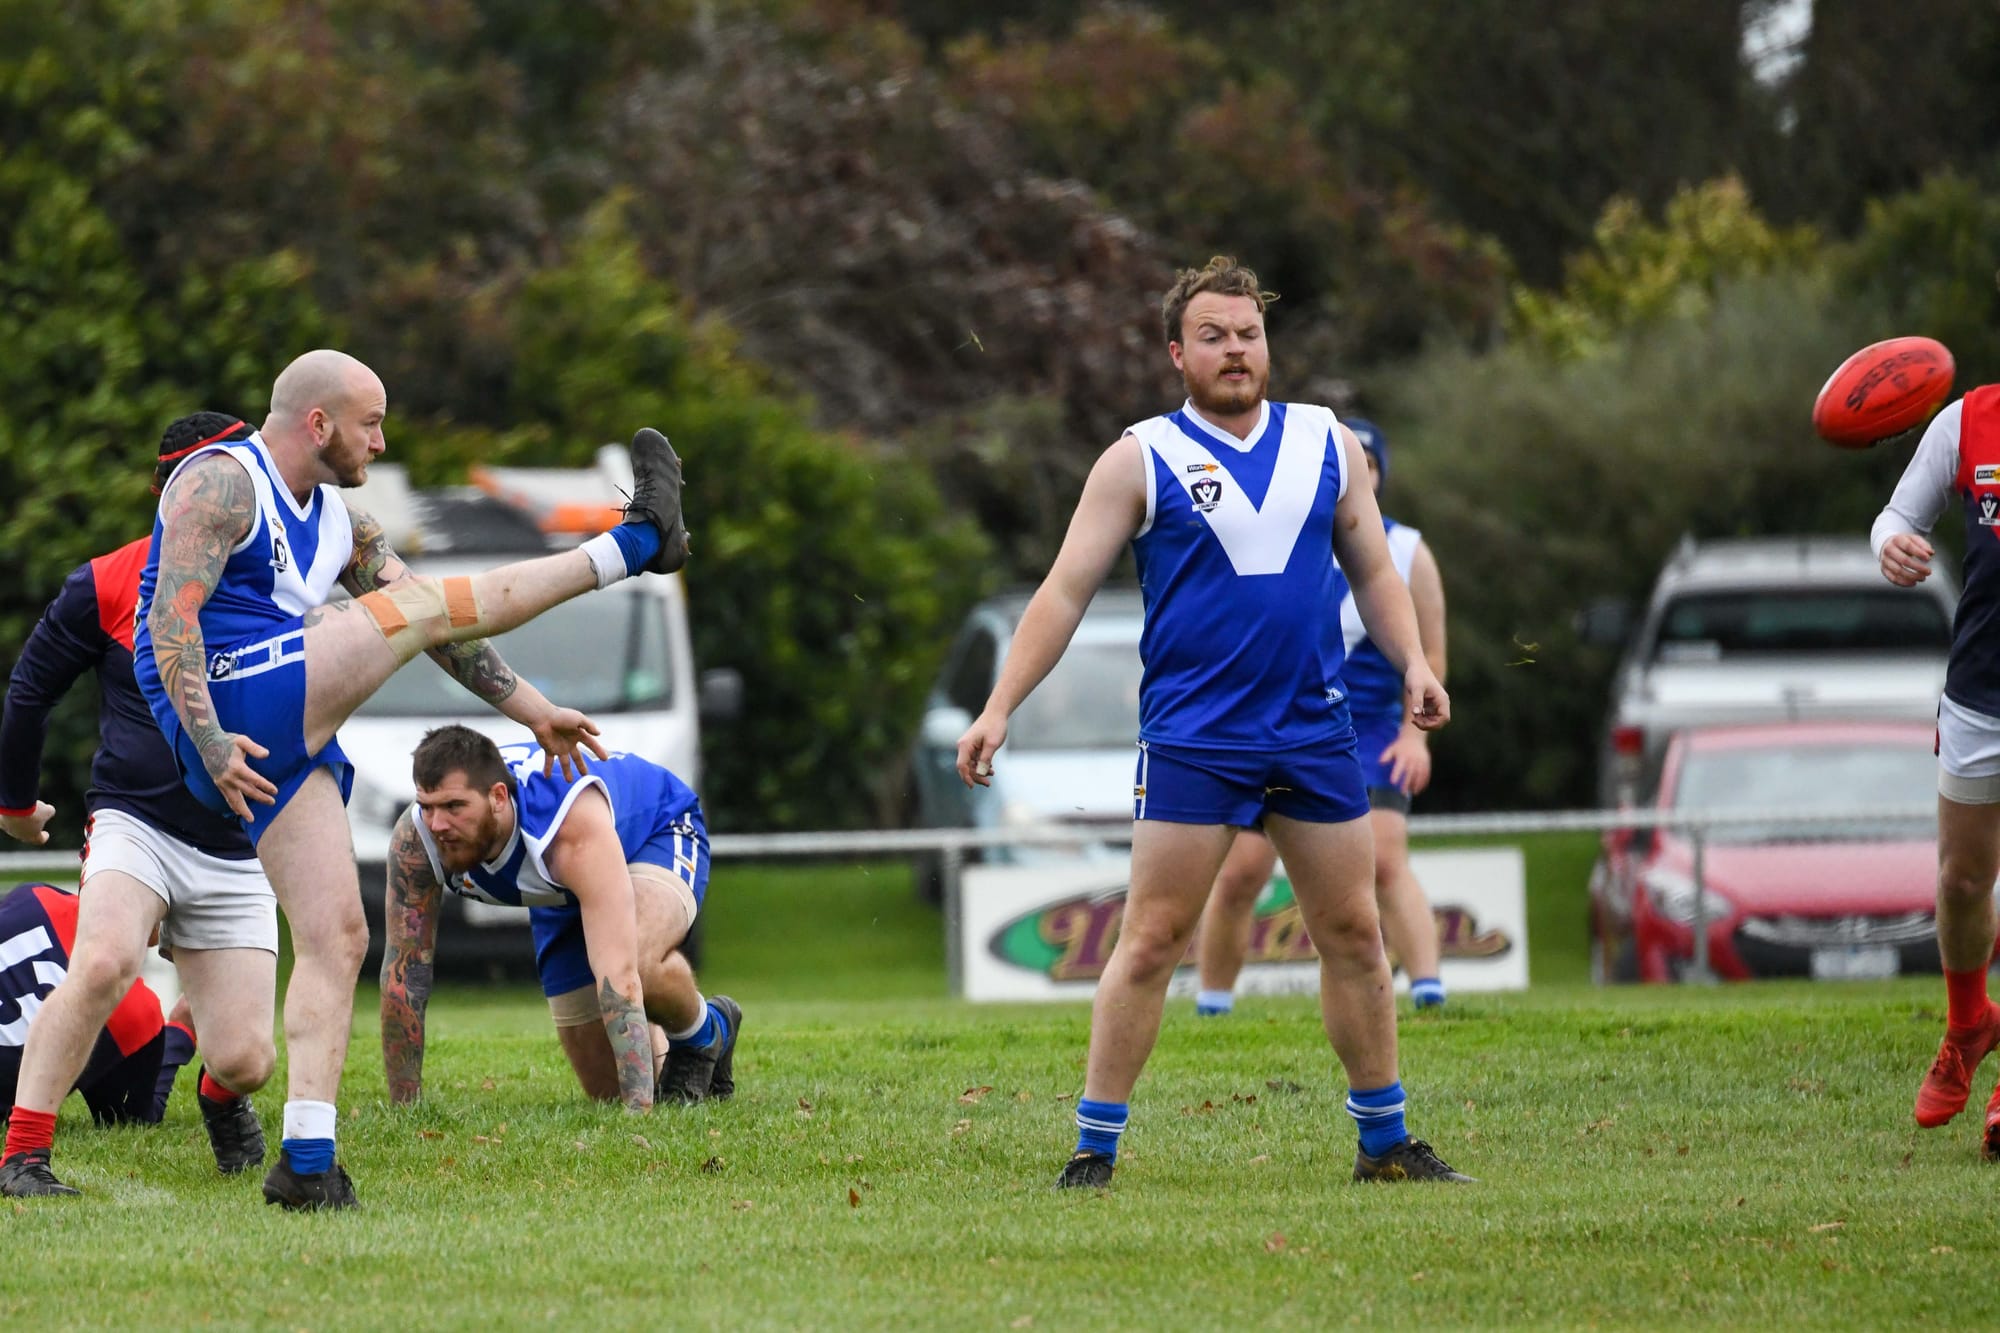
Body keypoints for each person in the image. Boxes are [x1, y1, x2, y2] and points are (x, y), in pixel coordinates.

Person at [957, 256, 1473, 1188]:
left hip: (1314, 734)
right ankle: (1093, 1151)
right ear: (1176, 353)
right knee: (1151, 941)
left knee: (1355, 932)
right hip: (1195, 738)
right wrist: (999, 707)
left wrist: (1415, 665)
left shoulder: (1328, 443)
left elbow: (1375, 573)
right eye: (1214, 336)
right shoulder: (1139, 456)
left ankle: (1385, 1143)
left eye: (1248, 334)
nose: (1236, 350)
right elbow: (1065, 590)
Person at [130, 349, 688, 1209]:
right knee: (416, 603)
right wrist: (205, 741)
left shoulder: (343, 523)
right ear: (318, 423)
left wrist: (533, 711)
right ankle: (640, 541)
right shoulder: (220, 480)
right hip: (224, 698)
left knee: (339, 936)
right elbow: (172, 621)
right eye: (370, 422)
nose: (382, 442)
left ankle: (306, 1164)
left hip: (273, 732)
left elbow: (441, 624)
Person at [0, 414, 281, 1201]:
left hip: (236, 842)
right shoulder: (109, 581)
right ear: (173, 494)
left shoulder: (277, 583)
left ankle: (217, 1095)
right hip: (135, 822)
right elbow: (29, 691)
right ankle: (24, 1155)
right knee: (102, 961)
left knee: (249, 1058)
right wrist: (15, 803)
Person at [1192, 418, 1451, 1016]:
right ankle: (1212, 1003)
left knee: (1385, 860)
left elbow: (1430, 656)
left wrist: (1417, 740)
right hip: (1278, 723)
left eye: (1369, 460)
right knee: (1241, 872)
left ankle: (1431, 992)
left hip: (1371, 728)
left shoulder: (1407, 549)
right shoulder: (1278, 536)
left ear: (1376, 473)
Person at [379, 725, 738, 1110]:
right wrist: (406, 1108)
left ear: (498, 797)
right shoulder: (416, 840)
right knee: (607, 1092)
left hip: (652, 833)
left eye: (454, 807)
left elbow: (618, 974)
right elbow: (404, 975)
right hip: (562, 888)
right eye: (427, 806)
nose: (438, 825)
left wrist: (640, 1117)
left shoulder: (566, 827)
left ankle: (703, 1032)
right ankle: (671, 1055)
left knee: (634, 957)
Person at [1874, 384, 2000, 1156]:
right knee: (1960, 880)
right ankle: (1968, 1024)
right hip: (1980, 687)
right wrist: (1889, 544)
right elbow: (1897, 516)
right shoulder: (1969, 418)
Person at [0, 882, 196, 1131]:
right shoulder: (136, 1010)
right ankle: (184, 1026)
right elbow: (126, 1118)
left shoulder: (33, 895)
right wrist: (182, 1032)